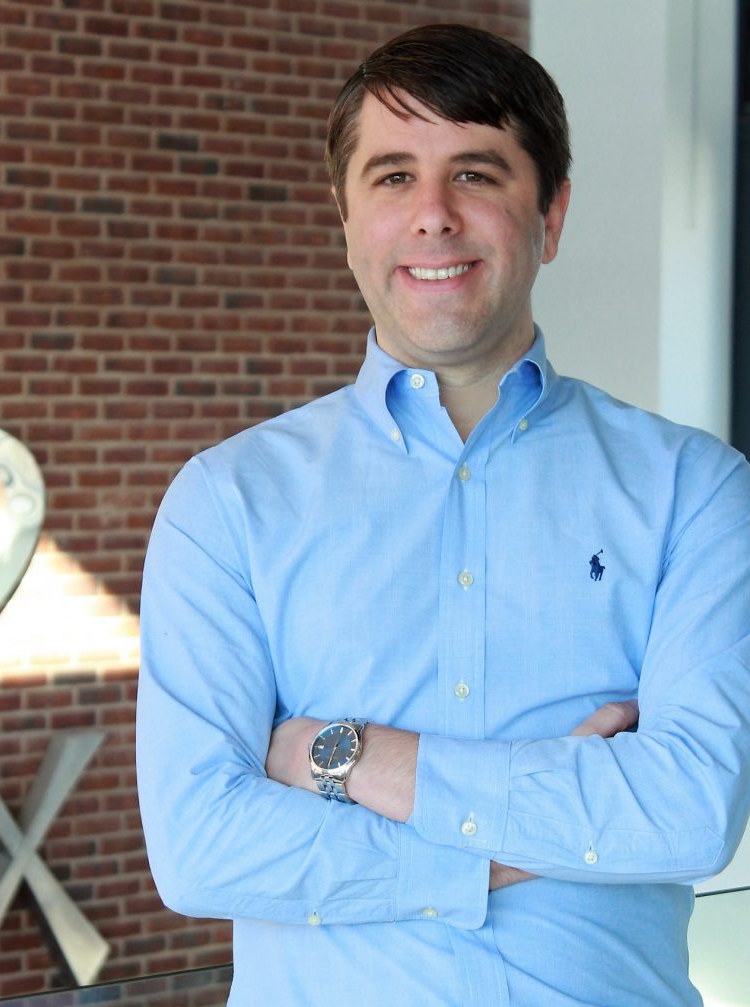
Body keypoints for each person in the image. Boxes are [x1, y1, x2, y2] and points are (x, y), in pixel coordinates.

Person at [136, 23, 750, 1006]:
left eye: (474, 173)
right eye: (390, 177)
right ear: (344, 218)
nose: (432, 216)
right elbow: (202, 845)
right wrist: (505, 848)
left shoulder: (694, 490)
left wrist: (345, 757)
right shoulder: (228, 501)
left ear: (549, 217)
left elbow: (685, 813)